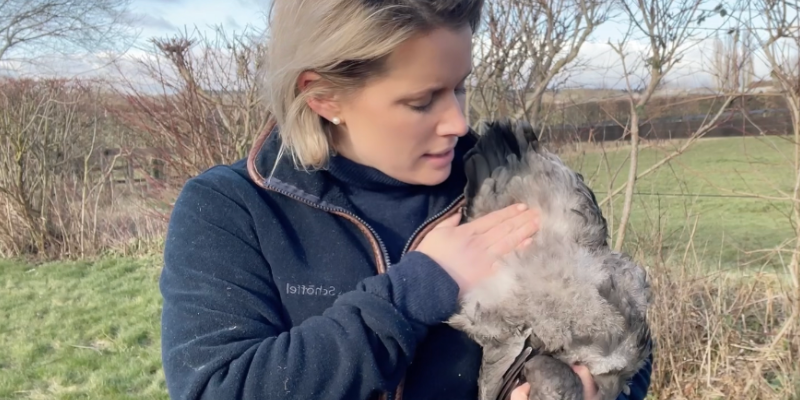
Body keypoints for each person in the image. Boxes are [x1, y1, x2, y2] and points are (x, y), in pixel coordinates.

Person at [158, 0, 654, 399]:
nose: (458, 123)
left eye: (460, 88)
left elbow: (616, 335)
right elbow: (217, 387)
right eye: (422, 101)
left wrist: (595, 390)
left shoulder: (511, 185)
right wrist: (422, 286)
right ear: (324, 96)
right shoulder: (230, 210)